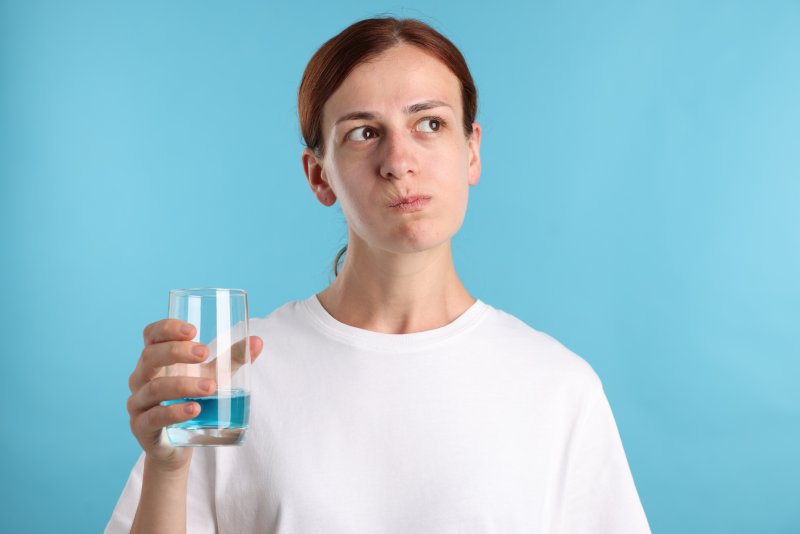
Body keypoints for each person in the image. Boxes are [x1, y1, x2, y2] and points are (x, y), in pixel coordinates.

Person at [106, 17, 651, 534]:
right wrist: (167, 470)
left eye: (430, 124)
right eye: (364, 133)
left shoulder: (558, 389)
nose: (399, 160)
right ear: (320, 177)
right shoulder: (232, 376)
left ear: (472, 151)